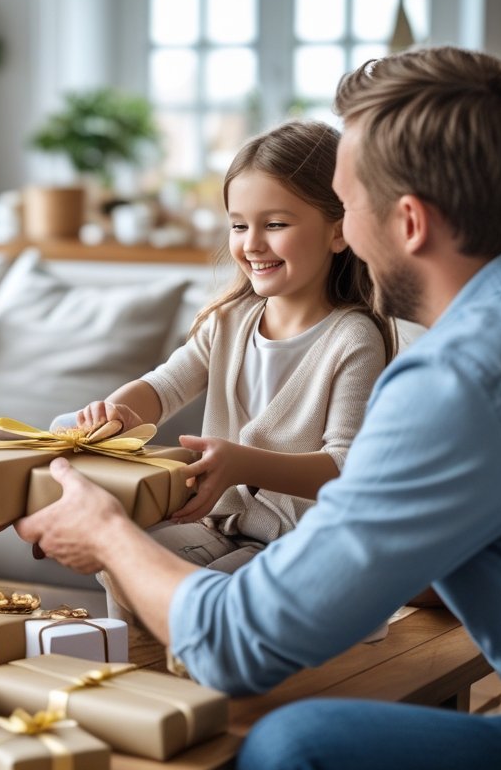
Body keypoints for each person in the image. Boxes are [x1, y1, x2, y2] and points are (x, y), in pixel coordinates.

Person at [17, 45, 501, 770]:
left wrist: (104, 531)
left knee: (292, 752)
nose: (347, 230)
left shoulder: (457, 377)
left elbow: (236, 646)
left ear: (407, 222)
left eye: (348, 203)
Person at [75, 120, 395, 620]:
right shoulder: (226, 322)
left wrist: (243, 463)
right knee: (122, 562)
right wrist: (116, 410)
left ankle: (199, 688)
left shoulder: (353, 339)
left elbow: (346, 468)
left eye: (275, 224)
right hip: (222, 528)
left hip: (303, 547)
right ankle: (136, 688)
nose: (251, 244)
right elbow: (163, 388)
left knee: (200, 601)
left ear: (339, 230)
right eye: (239, 225)